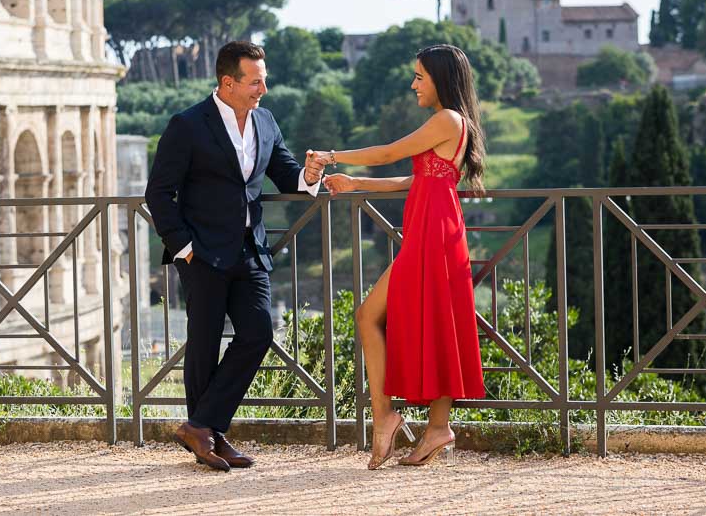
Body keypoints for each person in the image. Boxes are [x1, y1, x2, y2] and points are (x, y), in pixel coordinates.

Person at [145, 41, 325, 471]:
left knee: (258, 333)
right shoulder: (187, 125)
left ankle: (201, 425)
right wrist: (183, 246)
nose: (263, 88)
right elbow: (159, 192)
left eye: (263, 79)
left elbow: (286, 174)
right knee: (204, 344)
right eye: (255, 81)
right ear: (228, 82)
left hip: (251, 250)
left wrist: (311, 175)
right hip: (201, 253)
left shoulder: (265, 120)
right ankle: (212, 437)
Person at [315, 44, 486, 468]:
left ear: (440, 79)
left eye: (420, 77)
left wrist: (332, 156)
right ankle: (435, 427)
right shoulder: (452, 123)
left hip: (433, 234)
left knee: (369, 315)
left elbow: (390, 152)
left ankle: (386, 417)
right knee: (437, 323)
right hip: (437, 230)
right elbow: (419, 178)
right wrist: (356, 183)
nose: (413, 84)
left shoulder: (446, 119)